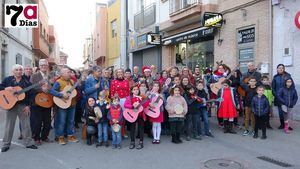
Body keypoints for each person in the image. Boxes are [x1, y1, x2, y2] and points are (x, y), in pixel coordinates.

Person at [0, 64, 37, 152]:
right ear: (13, 71)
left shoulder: (27, 82)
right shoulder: (7, 79)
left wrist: (28, 105)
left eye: (20, 70)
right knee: (9, 125)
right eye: (16, 70)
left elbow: (32, 94)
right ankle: (6, 144)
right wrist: (6, 88)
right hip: (10, 105)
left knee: (26, 124)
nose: (19, 71)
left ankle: (28, 143)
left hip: (23, 105)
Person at [50, 67, 79, 145]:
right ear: (62, 74)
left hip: (72, 104)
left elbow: (75, 90)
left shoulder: (72, 81)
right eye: (68, 72)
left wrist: (79, 84)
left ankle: (70, 135)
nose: (70, 73)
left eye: (70, 72)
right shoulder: (58, 82)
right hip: (62, 104)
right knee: (61, 121)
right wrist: (61, 95)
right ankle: (61, 137)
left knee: (71, 121)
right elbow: (52, 91)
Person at [30, 59, 52, 145]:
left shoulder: (49, 76)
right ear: (39, 66)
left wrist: (49, 89)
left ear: (47, 66)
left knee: (47, 121)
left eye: (45, 65)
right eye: (42, 65)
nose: (43, 66)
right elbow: (31, 87)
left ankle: (44, 137)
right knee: (37, 121)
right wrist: (41, 89)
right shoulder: (34, 76)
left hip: (48, 101)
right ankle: (36, 138)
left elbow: (52, 87)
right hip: (37, 102)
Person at [124, 85, 150, 149]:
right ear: (132, 91)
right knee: (132, 129)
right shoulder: (129, 97)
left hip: (140, 115)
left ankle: (141, 142)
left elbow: (147, 102)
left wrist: (142, 103)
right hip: (132, 115)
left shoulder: (141, 97)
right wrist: (132, 106)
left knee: (141, 128)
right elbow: (125, 105)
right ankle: (132, 142)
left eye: (137, 89)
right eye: (134, 89)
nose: (136, 90)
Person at [272, 64, 293, 130]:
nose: (280, 69)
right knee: (281, 112)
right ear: (277, 69)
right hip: (278, 98)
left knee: (287, 113)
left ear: (284, 69)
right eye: (279, 68)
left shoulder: (288, 76)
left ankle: (287, 125)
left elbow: (292, 86)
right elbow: (273, 88)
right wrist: (277, 96)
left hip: (287, 97)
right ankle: (282, 124)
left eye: (282, 68)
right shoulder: (275, 77)